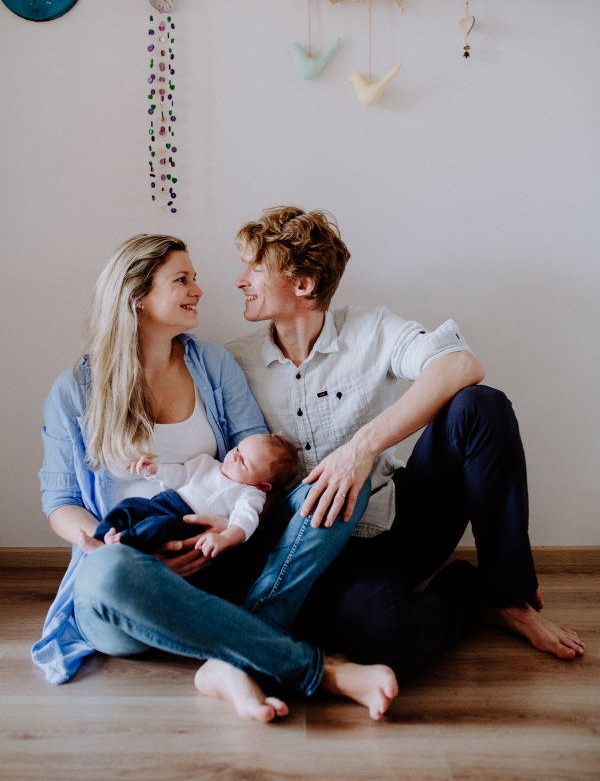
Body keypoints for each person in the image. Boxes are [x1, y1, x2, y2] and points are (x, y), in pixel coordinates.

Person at [201, 205, 583, 692]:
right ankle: (469, 594)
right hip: (318, 549)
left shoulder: (370, 329)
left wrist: (360, 449)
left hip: (397, 517)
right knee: (386, 637)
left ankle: (509, 595)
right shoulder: (235, 362)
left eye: (254, 266)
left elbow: (460, 365)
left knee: (479, 407)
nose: (239, 279)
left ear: (302, 283)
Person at [32, 232, 395, 722]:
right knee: (108, 573)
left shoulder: (214, 366)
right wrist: (103, 543)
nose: (199, 290)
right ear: (136, 297)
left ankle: (228, 659)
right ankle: (315, 669)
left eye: (195, 279)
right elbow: (60, 501)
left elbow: (260, 469)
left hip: (222, 559)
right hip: (131, 576)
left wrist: (231, 530)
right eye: (182, 279)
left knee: (348, 473)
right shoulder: (75, 390)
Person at [79, 433, 297, 557]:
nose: (233, 457)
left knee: (159, 527)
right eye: (238, 449)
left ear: (264, 485)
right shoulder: (208, 464)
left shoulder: (250, 494)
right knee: (128, 506)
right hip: (164, 501)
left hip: (185, 523)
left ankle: (120, 548)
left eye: (244, 462)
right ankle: (99, 540)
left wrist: (224, 538)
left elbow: (245, 522)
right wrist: (156, 470)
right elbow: (181, 475)